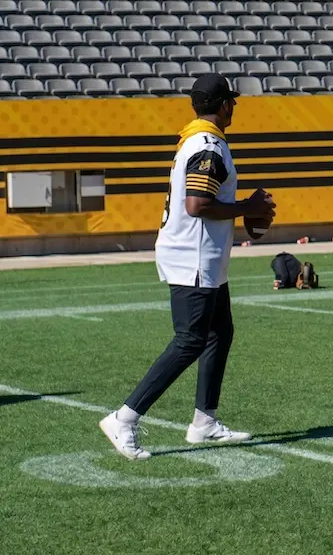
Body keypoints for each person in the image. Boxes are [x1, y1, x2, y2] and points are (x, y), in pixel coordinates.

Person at [99, 75, 276, 460]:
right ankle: (124, 417)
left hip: (203, 255)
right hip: (193, 255)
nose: (234, 107)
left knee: (219, 333)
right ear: (224, 104)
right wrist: (249, 208)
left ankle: (204, 422)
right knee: (190, 340)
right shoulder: (207, 143)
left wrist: (244, 207)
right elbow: (197, 204)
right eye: (232, 101)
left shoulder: (196, 139)